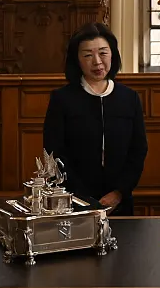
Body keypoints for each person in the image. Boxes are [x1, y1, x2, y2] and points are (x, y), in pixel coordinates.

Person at [43, 22, 148, 216]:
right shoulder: (62, 99)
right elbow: (54, 152)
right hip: (73, 203)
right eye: (88, 55)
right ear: (77, 60)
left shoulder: (129, 98)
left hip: (119, 203)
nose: (97, 62)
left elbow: (138, 150)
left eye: (103, 53)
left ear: (113, 54)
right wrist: (82, 198)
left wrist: (118, 193)